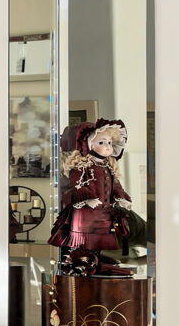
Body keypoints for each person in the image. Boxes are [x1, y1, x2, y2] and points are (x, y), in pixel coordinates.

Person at [49, 118, 136, 277]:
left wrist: (121, 198)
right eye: (102, 142)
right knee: (83, 242)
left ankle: (94, 263)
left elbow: (115, 186)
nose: (108, 146)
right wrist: (86, 199)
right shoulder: (83, 166)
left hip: (102, 213)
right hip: (86, 215)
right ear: (88, 144)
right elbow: (77, 186)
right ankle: (79, 265)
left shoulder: (107, 167)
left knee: (97, 240)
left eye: (109, 142)